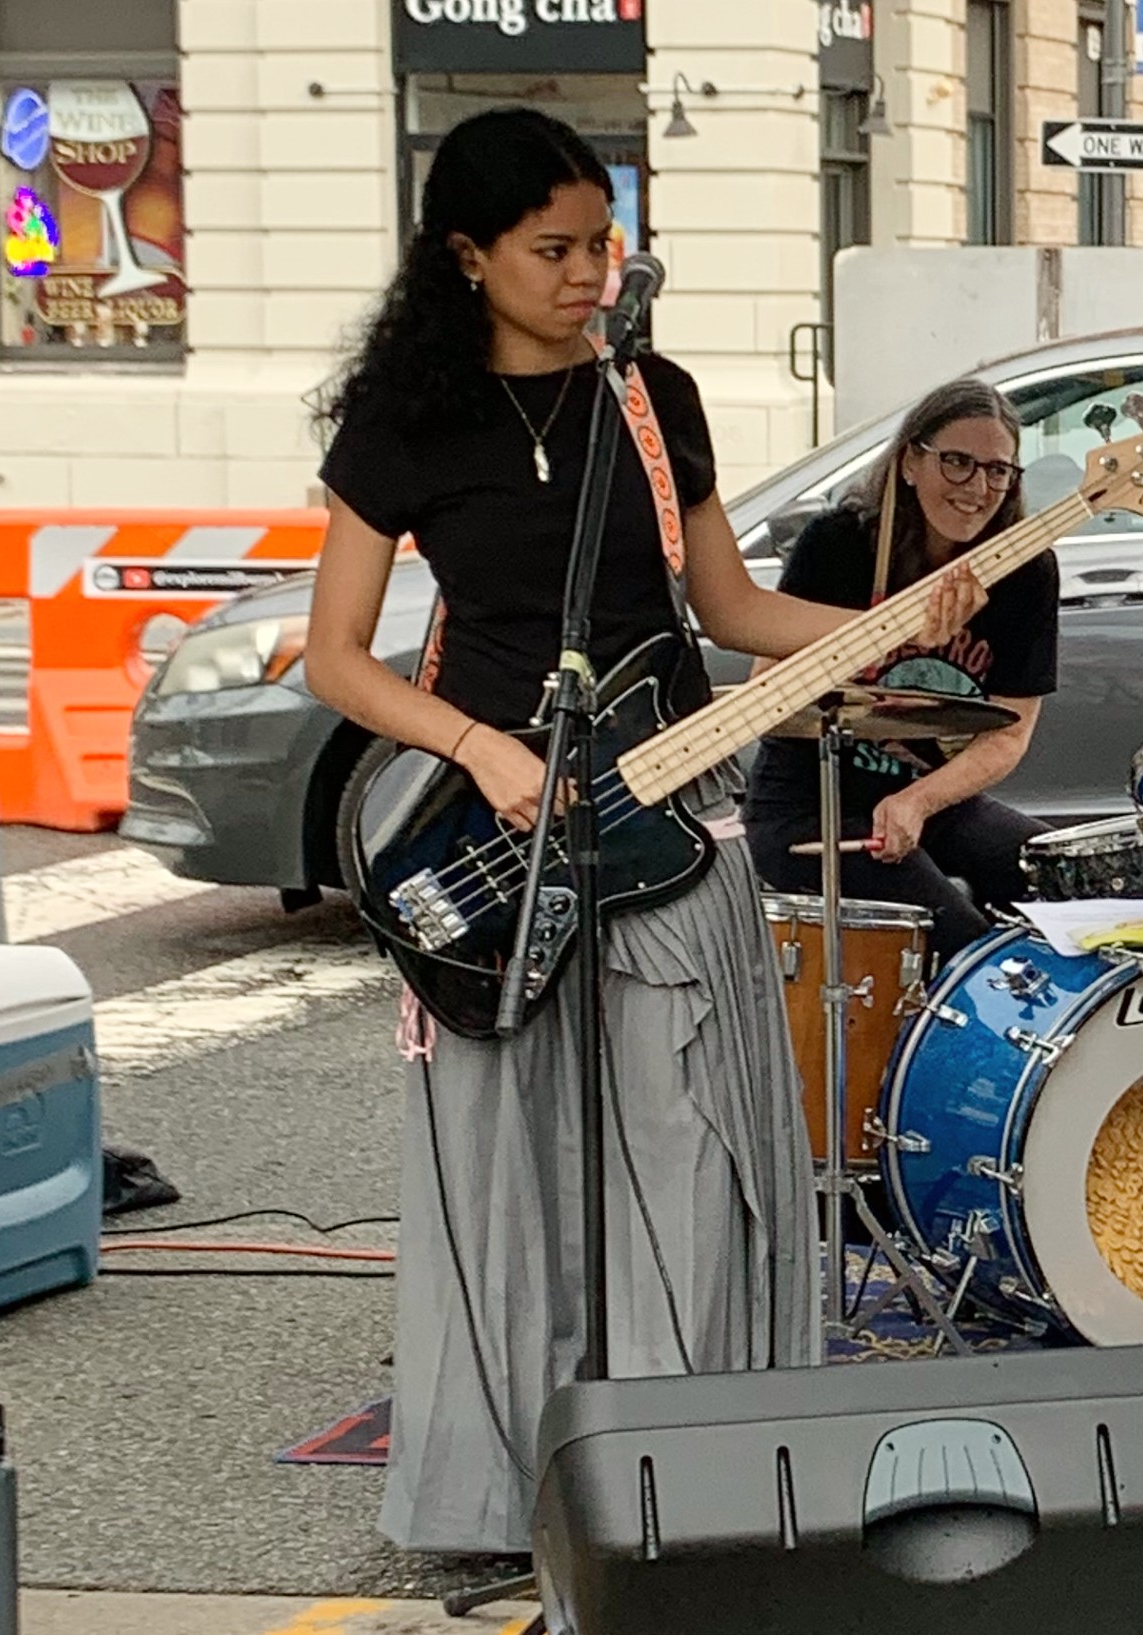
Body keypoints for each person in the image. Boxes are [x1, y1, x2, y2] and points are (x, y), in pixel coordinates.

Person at [301, 106, 976, 1556]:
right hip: (494, 833)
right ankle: (494, 1499)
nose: (590, 272)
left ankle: (702, 1471)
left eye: (603, 240)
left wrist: (884, 626)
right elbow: (337, 658)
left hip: (670, 812)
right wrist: (479, 747)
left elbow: (725, 609)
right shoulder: (405, 420)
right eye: (553, 249)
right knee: (504, 1167)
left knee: (696, 1141)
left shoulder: (652, 399)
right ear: (466, 254)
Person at [744, 378, 1058, 959]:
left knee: (1076, 888)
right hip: (811, 807)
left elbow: (1009, 735)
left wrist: (919, 802)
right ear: (911, 461)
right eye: (958, 463)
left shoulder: (1025, 569)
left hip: (933, 802)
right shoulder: (839, 544)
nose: (977, 487)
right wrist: (886, 634)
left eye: (998, 470)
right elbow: (768, 692)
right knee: (959, 941)